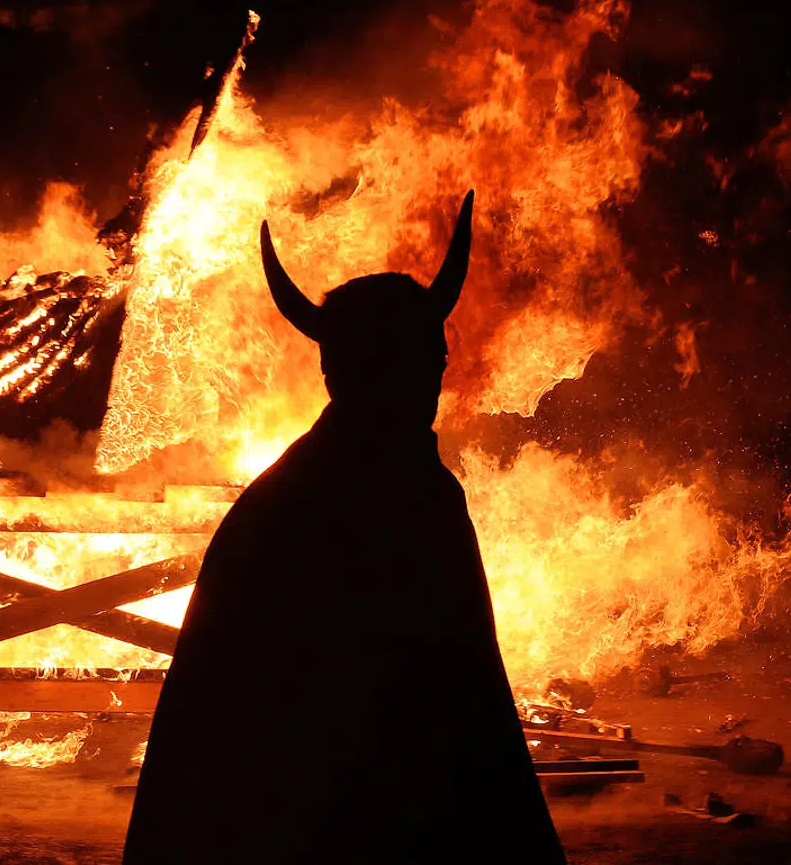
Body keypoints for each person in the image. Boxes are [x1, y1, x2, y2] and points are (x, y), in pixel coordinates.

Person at [122, 191, 565, 864]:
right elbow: (467, 705)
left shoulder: (272, 506)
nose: (428, 389)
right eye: (419, 367)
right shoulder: (413, 500)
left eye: (430, 366)